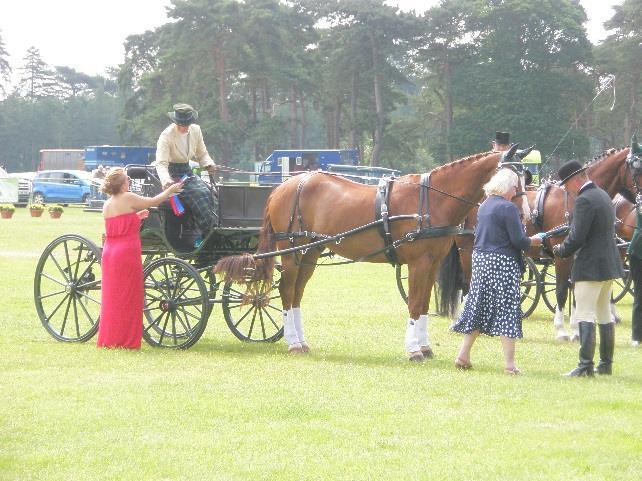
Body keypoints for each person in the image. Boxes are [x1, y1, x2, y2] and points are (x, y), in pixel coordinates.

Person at [451, 168, 543, 374]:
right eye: (515, 187)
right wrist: (535, 240)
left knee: (478, 308)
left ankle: (463, 355)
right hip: (502, 263)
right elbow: (519, 241)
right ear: (507, 187)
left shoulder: (484, 206)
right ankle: (510, 365)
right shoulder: (508, 208)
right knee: (508, 311)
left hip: (482, 261)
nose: (516, 191)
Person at [552, 160, 624, 376]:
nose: (566, 190)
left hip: (590, 265)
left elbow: (577, 237)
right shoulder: (602, 195)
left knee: (584, 313)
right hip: (608, 263)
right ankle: (605, 364)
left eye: (565, 185)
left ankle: (585, 365)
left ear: (575, 180)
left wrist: (559, 250)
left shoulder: (584, 200)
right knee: (604, 314)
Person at [97, 168, 183, 349]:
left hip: (110, 252)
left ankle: (111, 338)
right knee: (128, 296)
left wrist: (135, 217)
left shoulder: (108, 204)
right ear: (122, 185)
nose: (129, 183)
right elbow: (153, 201)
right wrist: (170, 190)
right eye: (127, 181)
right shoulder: (127, 198)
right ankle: (126, 340)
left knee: (112, 298)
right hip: (126, 252)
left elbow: (116, 225)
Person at [154, 103, 217, 243]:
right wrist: (166, 180)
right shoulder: (166, 136)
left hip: (187, 172)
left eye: (187, 124)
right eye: (181, 124)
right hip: (172, 175)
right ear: (175, 122)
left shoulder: (196, 131)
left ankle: (212, 228)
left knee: (213, 193)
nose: (185, 127)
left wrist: (208, 164)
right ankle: (207, 233)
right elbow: (161, 164)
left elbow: (203, 154)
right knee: (200, 194)